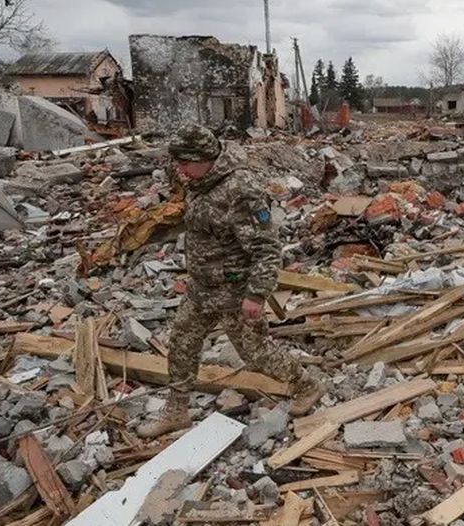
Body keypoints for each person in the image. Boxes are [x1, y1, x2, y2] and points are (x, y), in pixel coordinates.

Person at [137, 124, 325, 438]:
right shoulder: (200, 180)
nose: (179, 170)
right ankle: (176, 411)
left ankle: (306, 385)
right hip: (201, 289)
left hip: (235, 292)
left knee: (256, 352)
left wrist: (257, 294)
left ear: (204, 158)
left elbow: (266, 248)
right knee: (182, 343)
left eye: (184, 163)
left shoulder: (241, 189)